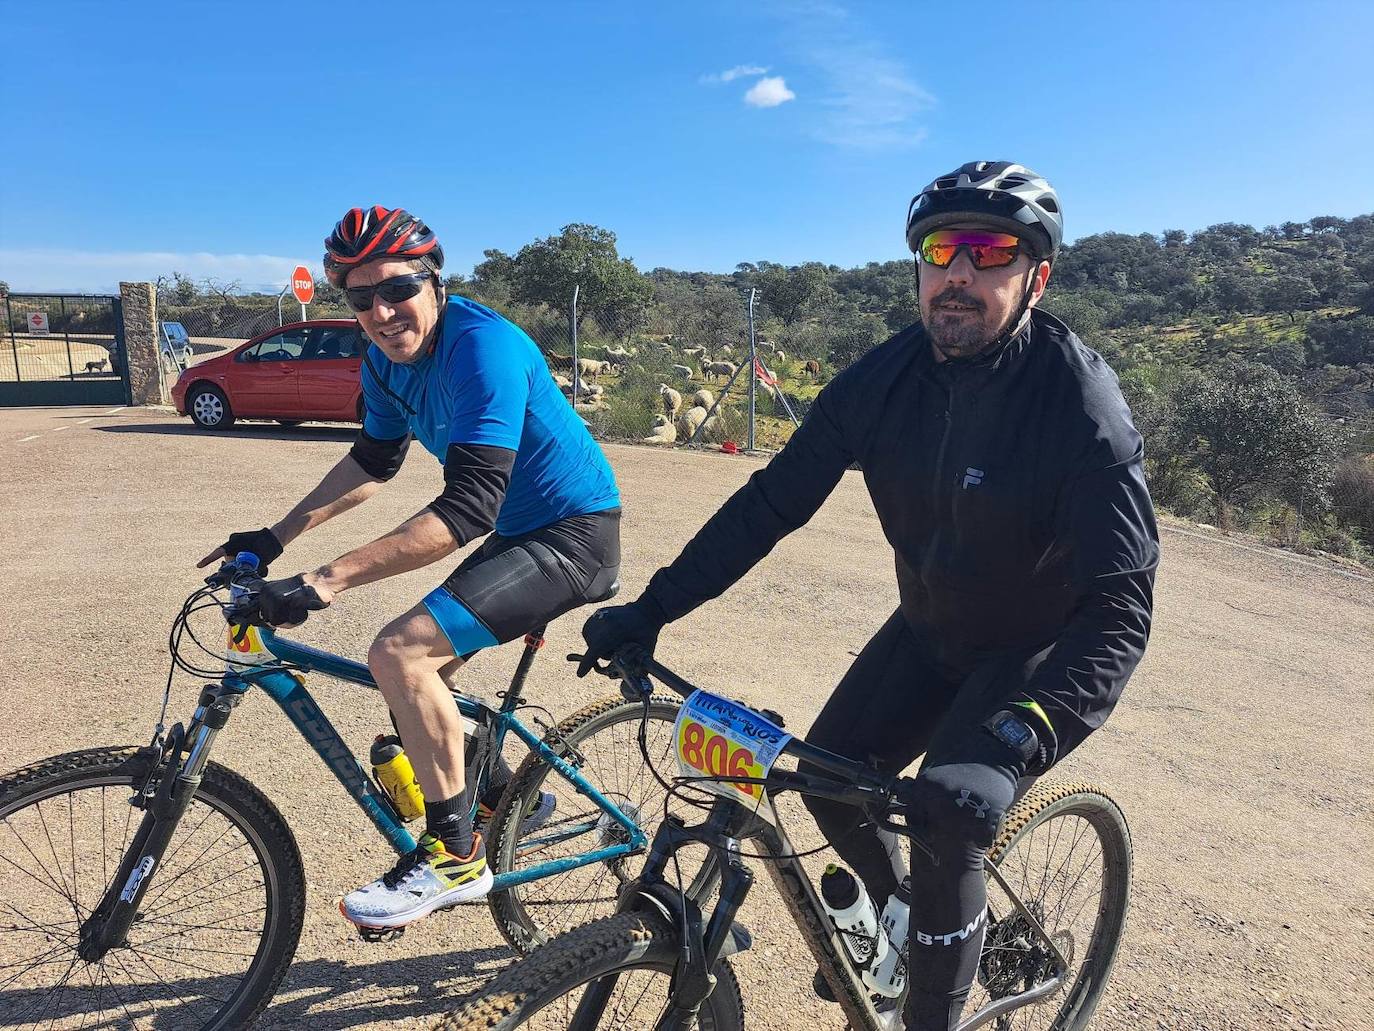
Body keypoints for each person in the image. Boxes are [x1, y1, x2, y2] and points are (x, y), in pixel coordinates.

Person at [579, 162, 1158, 1029]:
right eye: (939, 250)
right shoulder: (885, 378)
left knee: (950, 813)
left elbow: (1119, 607)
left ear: (1036, 277)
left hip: (1029, 652)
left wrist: (1025, 734)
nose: (957, 272)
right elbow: (771, 503)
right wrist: (651, 608)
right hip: (929, 628)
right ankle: (920, 934)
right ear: (918, 267)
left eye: (989, 251)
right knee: (827, 779)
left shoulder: (1080, 408)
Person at [198, 206, 622, 931]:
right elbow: (373, 460)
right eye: (360, 299)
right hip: (522, 531)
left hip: (574, 535)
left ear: (435, 281)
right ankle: (499, 795)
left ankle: (457, 857)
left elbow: (467, 509)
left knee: (399, 652)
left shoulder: (481, 349)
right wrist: (273, 539)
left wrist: (320, 583)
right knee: (415, 698)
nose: (382, 312)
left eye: (397, 289)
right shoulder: (386, 360)